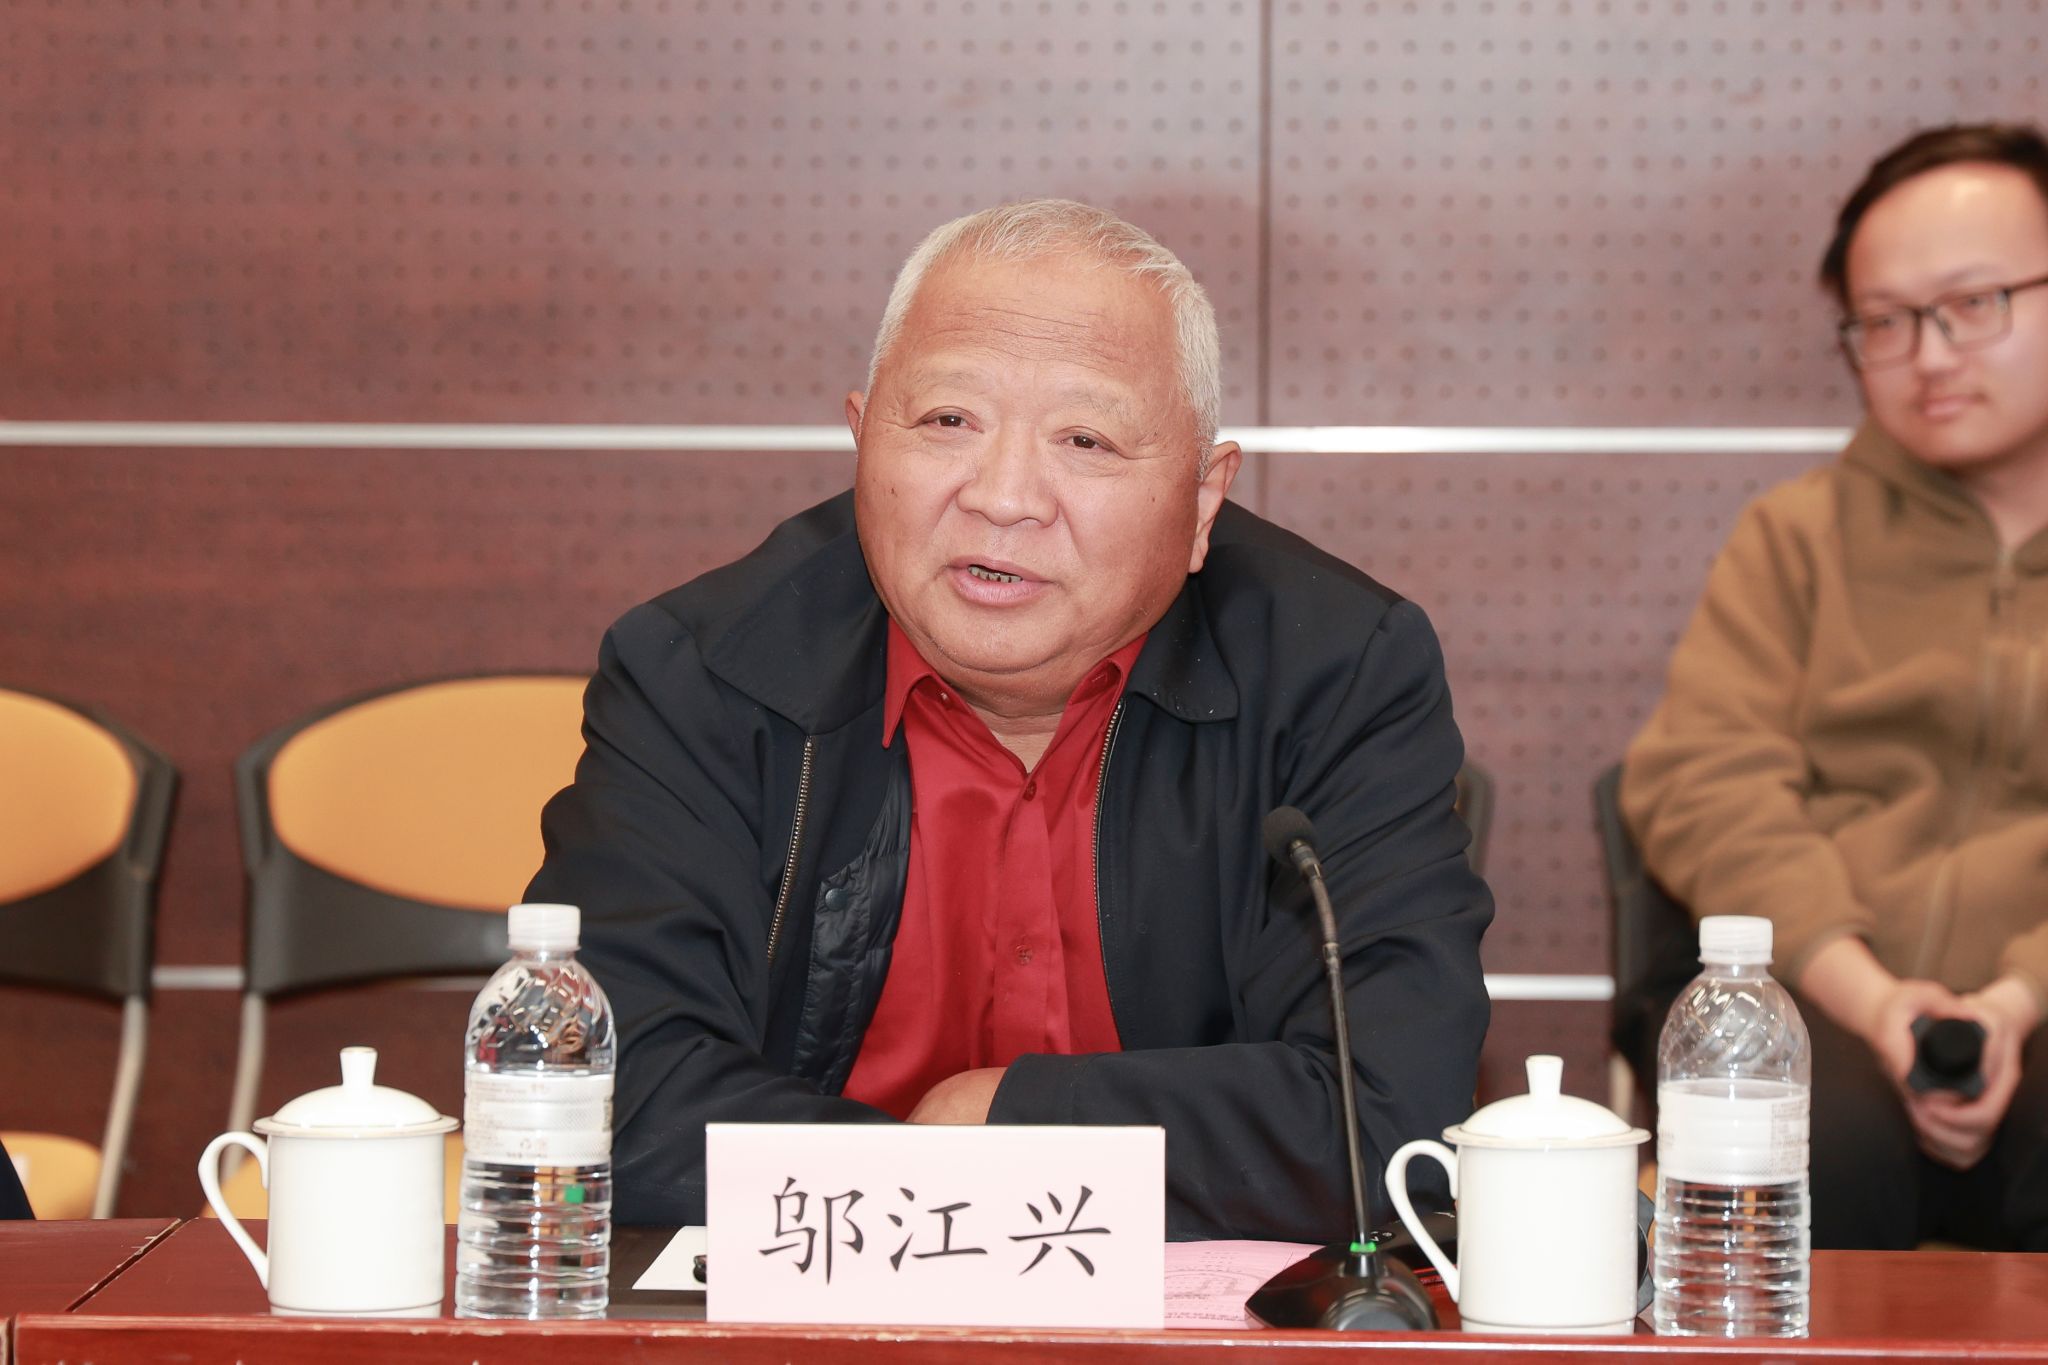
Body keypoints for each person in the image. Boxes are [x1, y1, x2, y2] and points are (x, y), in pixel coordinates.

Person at [526, 198, 1492, 1241]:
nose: (1002, 496)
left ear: (1202, 500)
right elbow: (604, 1096)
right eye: (949, 421)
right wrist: (946, 1182)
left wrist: (1008, 1118)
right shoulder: (704, 675)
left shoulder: (1335, 673)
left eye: (1085, 439)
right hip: (814, 1306)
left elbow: (1391, 1119)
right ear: (861, 438)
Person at [1622, 123, 2048, 1250]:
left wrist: (2014, 999)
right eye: (1885, 321)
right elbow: (1707, 783)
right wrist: (1875, 1000)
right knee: (1802, 1135)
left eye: (1974, 303)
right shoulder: (1796, 538)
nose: (1928, 356)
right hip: (1822, 984)